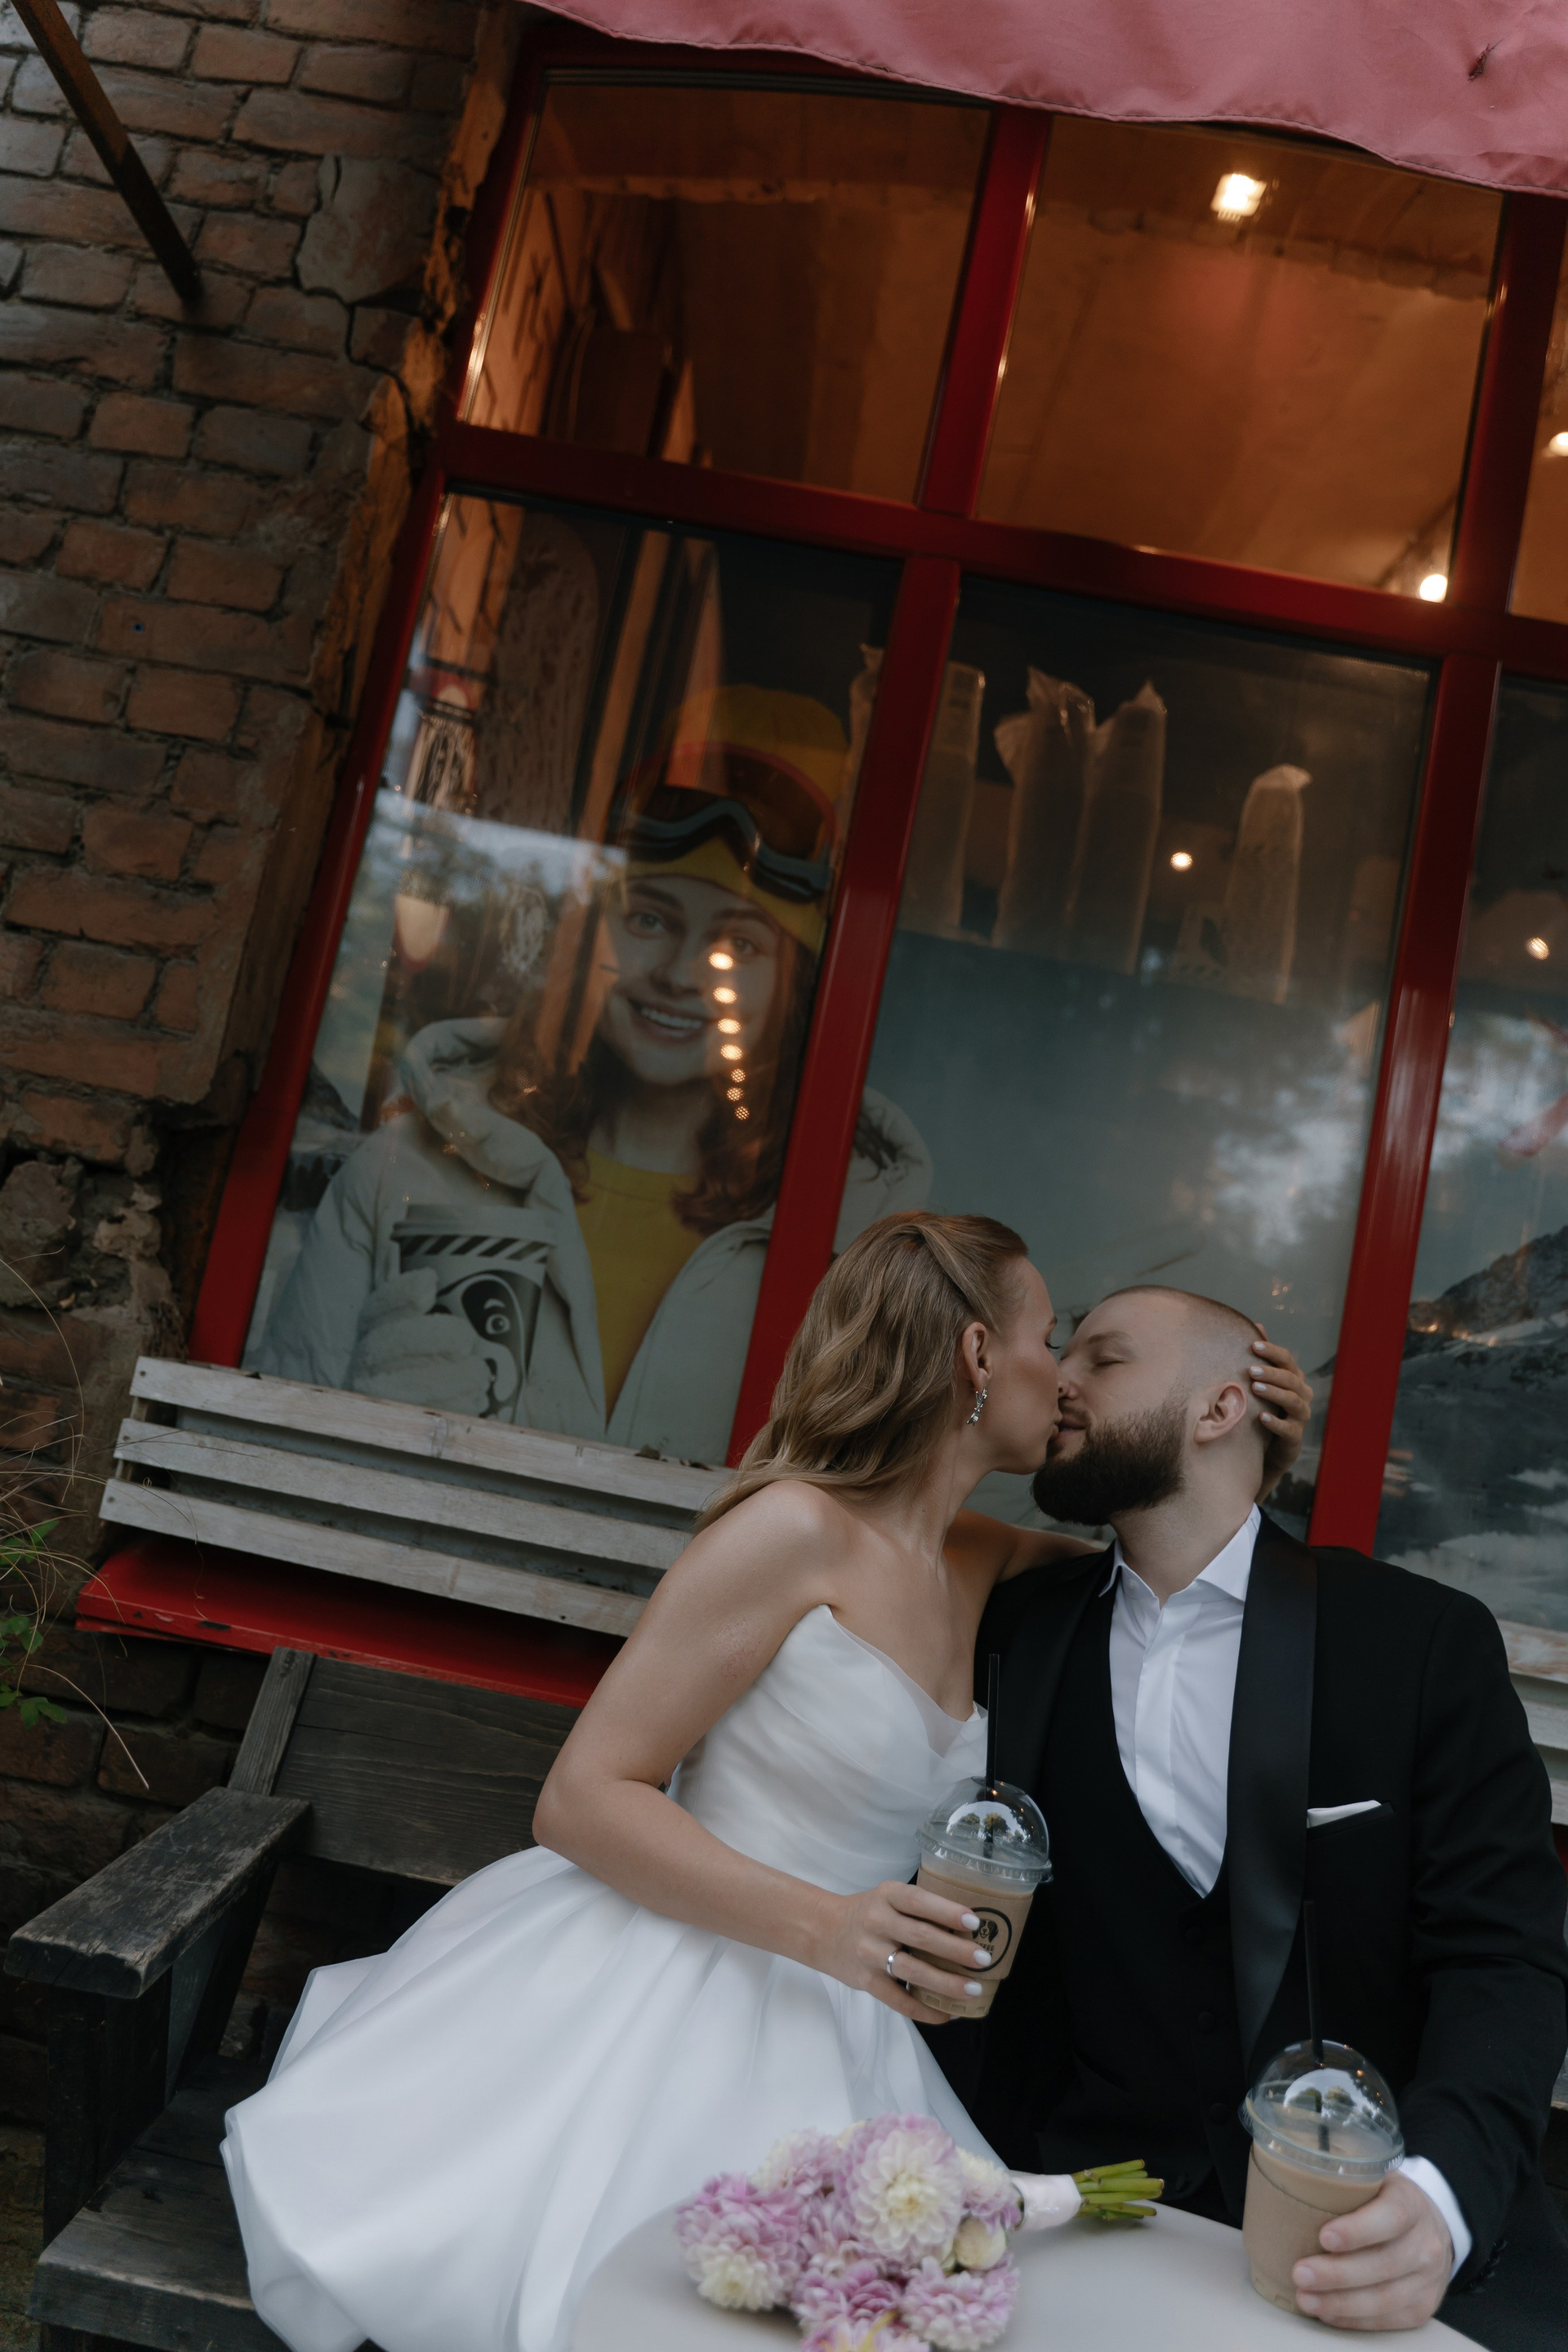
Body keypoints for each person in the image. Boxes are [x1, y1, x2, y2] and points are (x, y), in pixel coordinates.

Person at [222, 1214, 1312, 2352]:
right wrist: (830, 1929)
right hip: (674, 1982)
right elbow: (584, 1796)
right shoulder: (791, 1530)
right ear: (979, 1356)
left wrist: (1242, 1455)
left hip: (855, 2024)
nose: (1068, 1375)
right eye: (1052, 1339)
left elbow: (1177, 1558)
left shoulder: (983, 1563)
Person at [937, 1285, 1568, 2349]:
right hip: (1078, 2226)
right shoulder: (1014, 1626)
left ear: (1221, 1408)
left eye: (1104, 1358)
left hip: (1358, 2239)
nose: (1060, 1378)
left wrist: (1439, 2195)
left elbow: (1500, 1956)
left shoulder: (1417, 1642)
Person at [257, 686, 929, 1464]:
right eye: (649, 919)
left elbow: (915, 1513)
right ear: (589, 938)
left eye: (740, 944)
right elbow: (270, 1454)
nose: (681, 972)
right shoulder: (402, 1174)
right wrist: (374, 1424)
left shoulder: (862, 1251)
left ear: (792, 988)